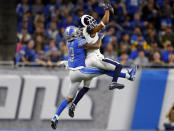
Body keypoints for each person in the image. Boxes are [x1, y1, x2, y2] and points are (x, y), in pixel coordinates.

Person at [51, 26, 137, 129]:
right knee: (104, 70)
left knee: (69, 98)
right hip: (81, 71)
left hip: (72, 74)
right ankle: (128, 76)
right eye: (76, 32)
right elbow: (95, 46)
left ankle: (55, 117)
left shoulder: (68, 43)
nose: (78, 33)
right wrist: (99, 36)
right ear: (74, 35)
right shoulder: (79, 41)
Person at [80, 0, 125, 90]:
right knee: (118, 66)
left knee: (86, 86)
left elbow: (102, 25)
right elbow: (103, 23)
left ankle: (74, 104)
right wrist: (107, 9)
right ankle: (114, 82)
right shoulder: (88, 30)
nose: (92, 21)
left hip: (89, 58)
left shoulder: (87, 31)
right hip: (95, 57)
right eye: (90, 20)